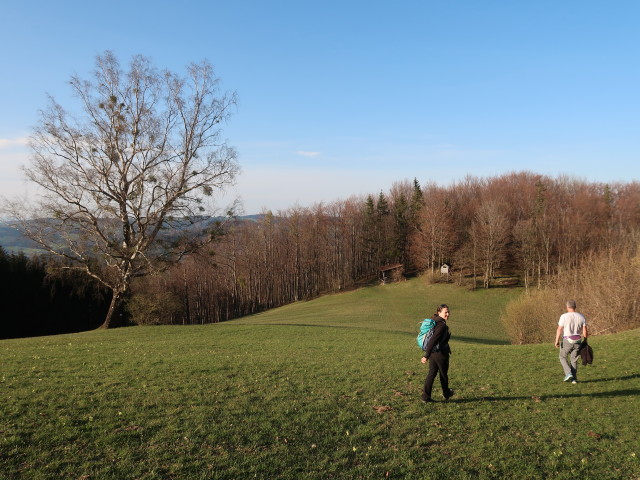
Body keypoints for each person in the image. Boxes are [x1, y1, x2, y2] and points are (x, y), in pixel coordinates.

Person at [421, 304, 455, 402]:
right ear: (439, 313)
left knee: (431, 374)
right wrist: (426, 356)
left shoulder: (435, 322)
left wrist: (428, 354)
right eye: (445, 312)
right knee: (443, 375)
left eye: (448, 312)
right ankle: (446, 393)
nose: (448, 314)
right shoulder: (441, 325)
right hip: (440, 354)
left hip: (433, 353)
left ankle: (426, 397)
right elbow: (433, 340)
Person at [554, 300, 588, 384]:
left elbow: (559, 329)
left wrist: (556, 340)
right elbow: (585, 331)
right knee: (574, 359)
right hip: (578, 340)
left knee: (562, 356)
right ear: (575, 307)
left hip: (567, 340)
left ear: (567, 307)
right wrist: (585, 340)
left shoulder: (564, 316)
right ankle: (574, 379)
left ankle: (568, 373)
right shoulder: (581, 316)